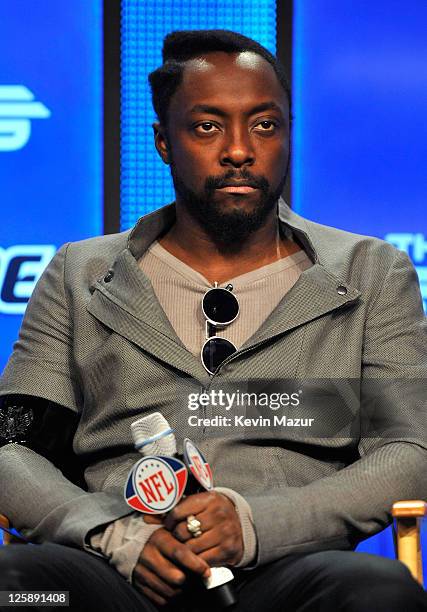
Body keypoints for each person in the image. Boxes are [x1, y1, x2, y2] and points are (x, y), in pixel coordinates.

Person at [0, 29, 426, 612]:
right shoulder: (81, 274)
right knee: (18, 591)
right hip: (114, 573)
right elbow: (10, 446)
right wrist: (114, 534)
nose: (239, 150)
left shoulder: (369, 272)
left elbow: (411, 450)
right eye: (207, 126)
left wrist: (254, 524)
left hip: (287, 569)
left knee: (379, 594)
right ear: (163, 142)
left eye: (264, 124)